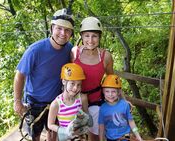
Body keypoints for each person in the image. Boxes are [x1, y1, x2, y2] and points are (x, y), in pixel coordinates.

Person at [13, 8, 74, 141]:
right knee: (35, 135)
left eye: (67, 30)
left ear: (71, 33)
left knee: (53, 134)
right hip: (34, 103)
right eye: (59, 28)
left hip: (56, 102)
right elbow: (20, 75)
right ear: (52, 28)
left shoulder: (69, 49)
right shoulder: (35, 50)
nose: (63, 33)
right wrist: (17, 101)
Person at [71, 16, 114, 141]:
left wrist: (121, 99)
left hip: (95, 100)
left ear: (99, 37)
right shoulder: (74, 53)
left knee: (94, 136)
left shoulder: (105, 56)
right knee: (74, 135)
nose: (90, 40)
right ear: (82, 37)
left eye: (94, 36)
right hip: (76, 100)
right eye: (87, 36)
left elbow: (111, 80)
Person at [48, 63, 91, 141]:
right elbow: (50, 124)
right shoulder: (56, 104)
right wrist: (64, 131)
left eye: (79, 85)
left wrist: (87, 120)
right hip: (65, 138)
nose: (75, 88)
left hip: (81, 137)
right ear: (64, 81)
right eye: (72, 83)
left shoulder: (82, 98)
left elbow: (86, 113)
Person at [99, 74, 143, 141]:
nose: (110, 94)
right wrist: (101, 139)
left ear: (119, 92)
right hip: (111, 138)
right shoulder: (103, 108)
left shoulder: (125, 105)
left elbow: (131, 121)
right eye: (107, 91)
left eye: (113, 91)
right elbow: (101, 126)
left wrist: (138, 137)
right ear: (103, 92)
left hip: (126, 137)